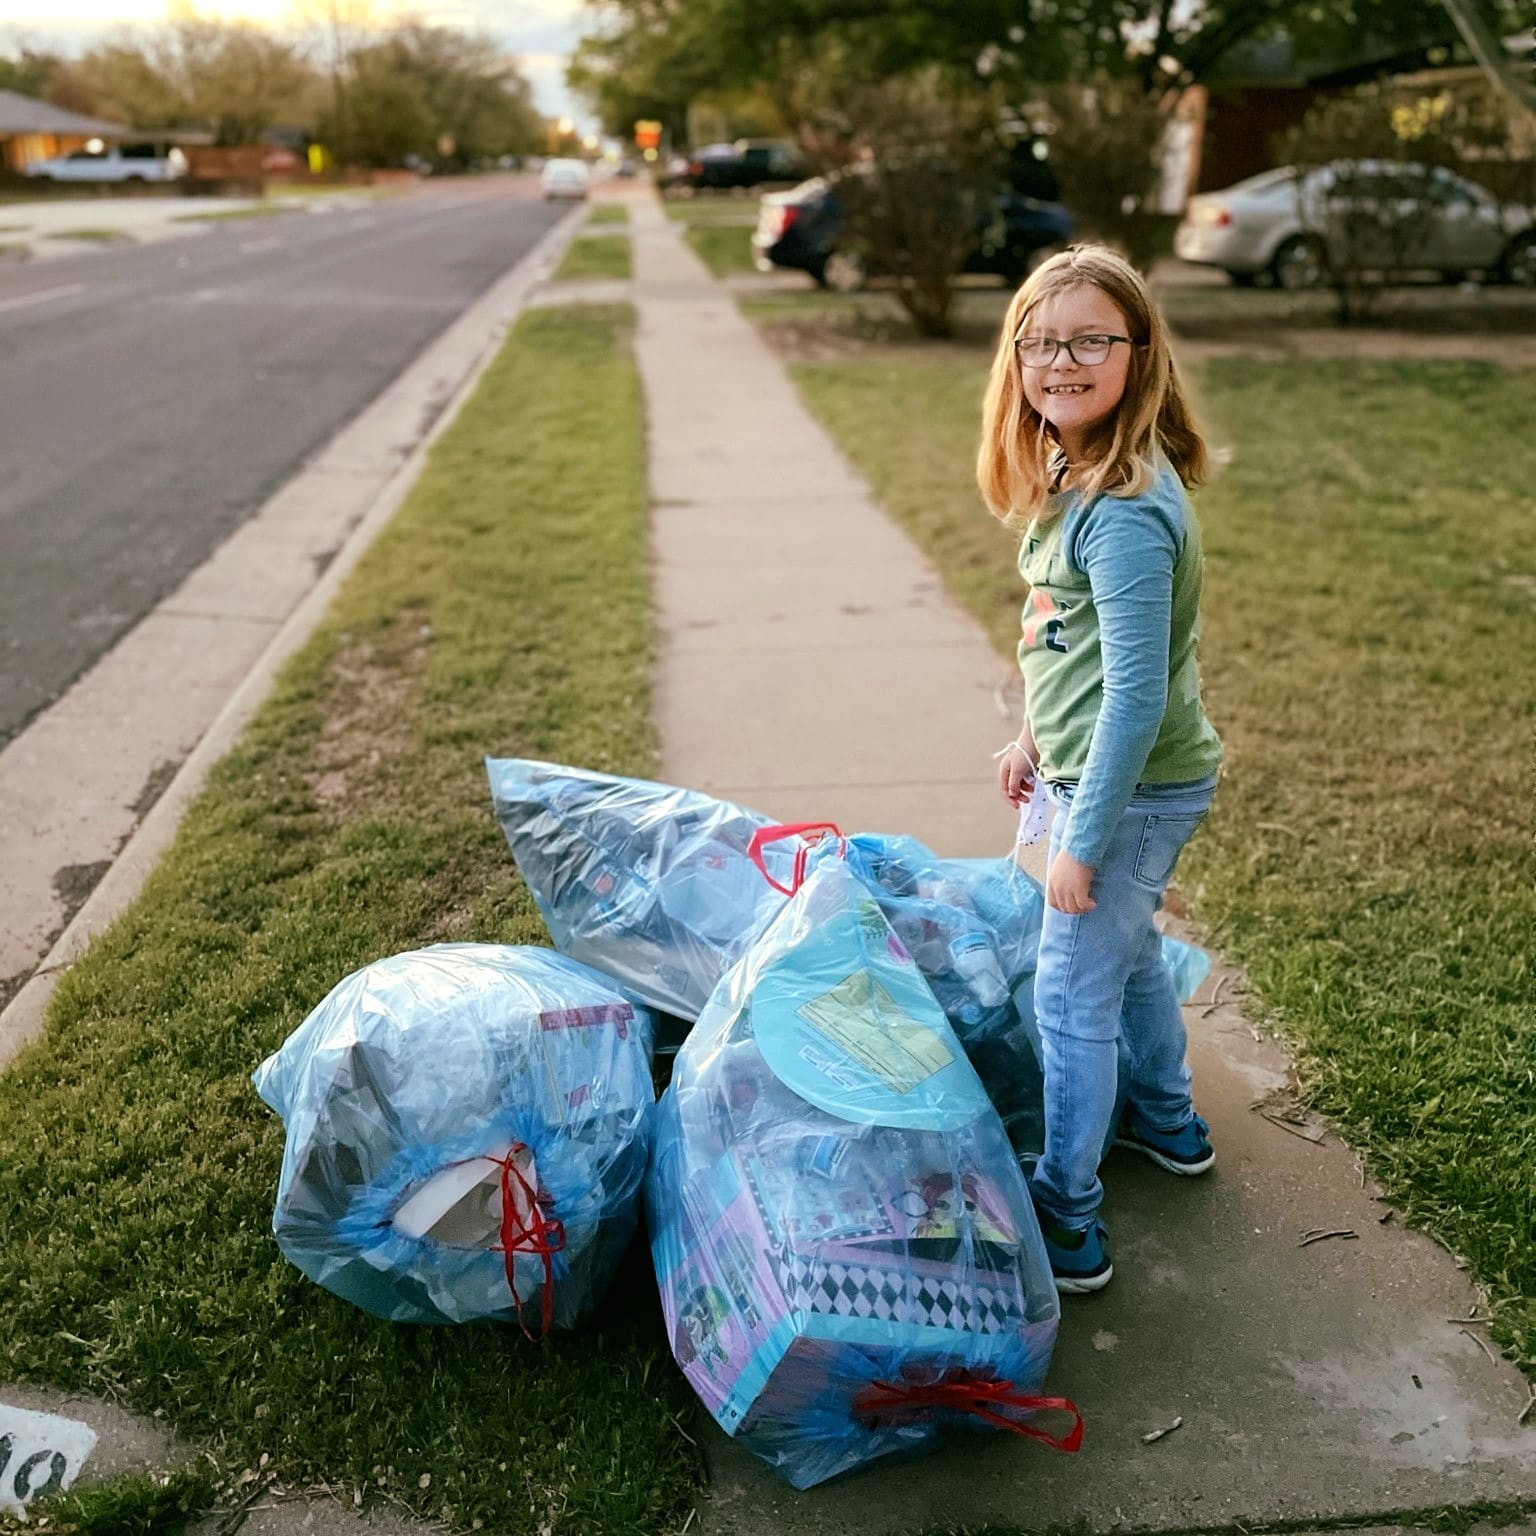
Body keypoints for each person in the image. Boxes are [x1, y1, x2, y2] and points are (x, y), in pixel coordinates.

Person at [976, 244, 1225, 1294]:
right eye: (1040, 341)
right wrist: (1035, 737)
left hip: (1126, 794)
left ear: (1137, 352)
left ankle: (1065, 1214)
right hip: (1100, 777)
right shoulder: (1078, 471)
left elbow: (1134, 697)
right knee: (1123, 959)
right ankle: (1169, 1123)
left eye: (1089, 340)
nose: (1061, 360)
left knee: (1070, 1000)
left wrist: (1081, 842)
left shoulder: (1123, 513)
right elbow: (1068, 643)